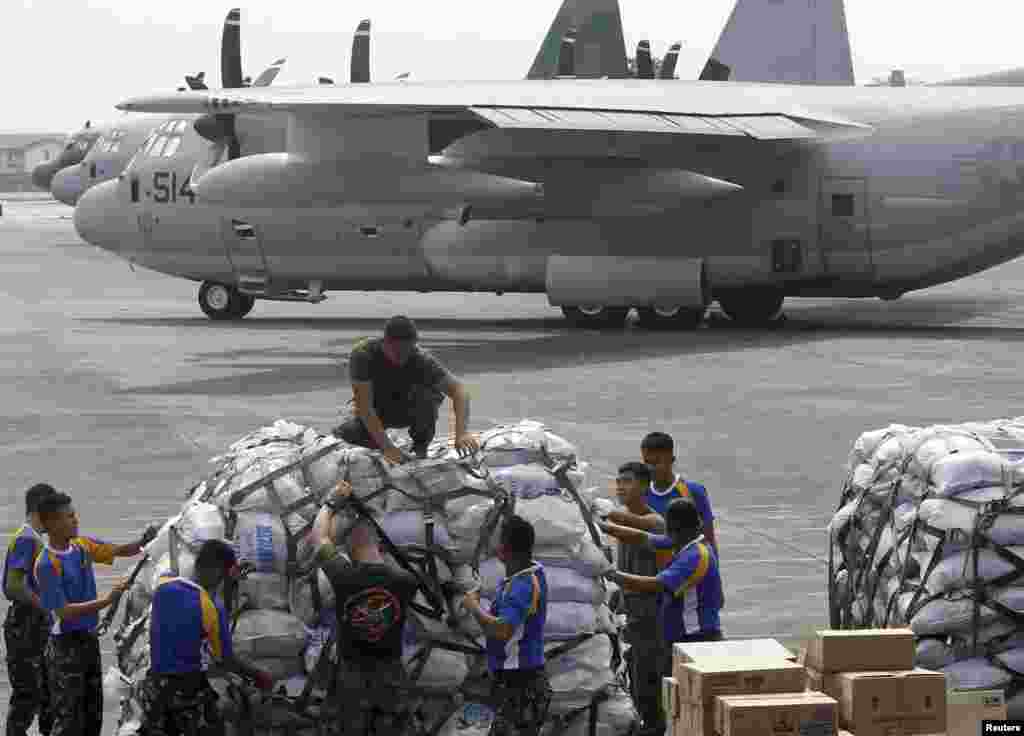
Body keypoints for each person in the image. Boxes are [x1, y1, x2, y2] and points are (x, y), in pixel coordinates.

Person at [34, 491, 158, 736]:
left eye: (74, 515)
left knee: (93, 712)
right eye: (69, 517)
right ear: (52, 524)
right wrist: (106, 601)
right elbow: (63, 611)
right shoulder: (46, 564)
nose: (76, 520)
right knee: (69, 717)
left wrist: (145, 540)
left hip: (88, 640)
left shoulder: (82, 547)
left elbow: (119, 550)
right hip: (65, 647)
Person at [311, 479, 420, 735]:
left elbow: (318, 537)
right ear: (380, 547)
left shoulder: (343, 575)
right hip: (391, 677)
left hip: (352, 679)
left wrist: (330, 503)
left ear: (348, 548)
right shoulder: (406, 581)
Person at [137, 539, 274, 736]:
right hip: (187, 694)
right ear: (217, 572)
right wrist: (258, 675)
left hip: (156, 690)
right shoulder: (209, 606)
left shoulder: (163, 584)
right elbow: (226, 661)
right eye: (222, 576)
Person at [600, 498, 724, 693]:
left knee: (689, 698)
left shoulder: (695, 556)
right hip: (680, 637)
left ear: (677, 529)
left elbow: (654, 585)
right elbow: (643, 538)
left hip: (696, 640)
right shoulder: (686, 542)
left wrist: (609, 573)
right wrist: (604, 527)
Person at [333, 315, 480, 463]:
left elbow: (459, 391)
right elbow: (365, 407)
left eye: (408, 351)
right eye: (398, 352)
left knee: (427, 397)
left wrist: (461, 433)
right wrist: (388, 448)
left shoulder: (420, 359)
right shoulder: (363, 355)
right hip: (377, 407)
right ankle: (384, 444)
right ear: (386, 343)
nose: (403, 357)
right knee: (347, 434)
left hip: (407, 407)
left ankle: (420, 448)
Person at [596, 463, 668, 736]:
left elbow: (631, 527)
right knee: (633, 683)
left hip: (650, 618)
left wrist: (596, 515)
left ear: (645, 486)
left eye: (627, 481)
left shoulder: (655, 522)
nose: (620, 486)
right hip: (630, 617)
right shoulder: (623, 518)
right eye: (618, 481)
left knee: (647, 684)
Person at [462, 515, 552, 736]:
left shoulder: (522, 585)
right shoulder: (523, 576)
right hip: (513, 677)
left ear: (505, 550)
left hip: (520, 681)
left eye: (498, 541)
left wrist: (473, 606)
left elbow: (502, 630)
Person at [4, 483, 57, 736]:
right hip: (26, 625)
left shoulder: (33, 539)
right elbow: (12, 586)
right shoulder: (26, 539)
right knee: (28, 694)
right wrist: (44, 606)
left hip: (35, 624)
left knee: (46, 692)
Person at [640, 432, 718, 561]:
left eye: (656, 462)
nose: (650, 468)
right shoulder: (641, 492)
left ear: (671, 459)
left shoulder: (693, 492)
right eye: (646, 462)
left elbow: (708, 539)